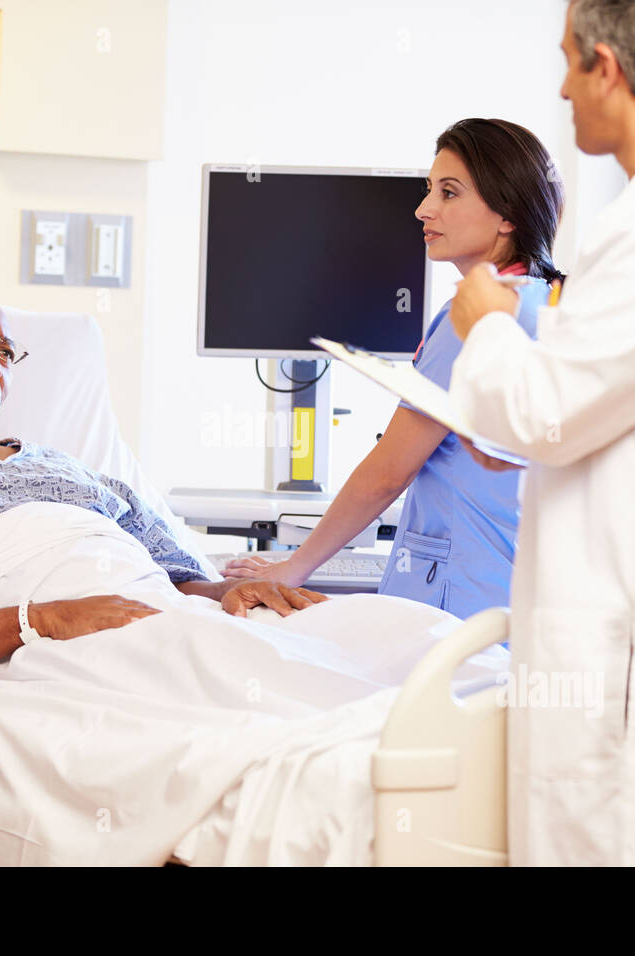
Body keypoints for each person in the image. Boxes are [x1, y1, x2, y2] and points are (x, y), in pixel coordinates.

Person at [445, 0, 635, 865]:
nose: (563, 88)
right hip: (611, 612)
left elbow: (550, 410)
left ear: (607, 66)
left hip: (625, 642)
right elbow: (575, 416)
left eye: (570, 62)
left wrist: (485, 323)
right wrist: (515, 425)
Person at [0, 291, 328, 680]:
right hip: (52, 655)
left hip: (159, 624)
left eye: (5, 352)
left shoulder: (71, 470)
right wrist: (45, 618)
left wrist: (227, 591)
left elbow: (177, 583)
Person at [222, 118, 562, 621]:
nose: (424, 209)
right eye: (429, 190)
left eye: (449, 193)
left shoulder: (475, 318)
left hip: (456, 604)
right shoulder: (546, 305)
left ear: (507, 213)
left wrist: (290, 569)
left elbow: (388, 472)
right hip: (507, 598)